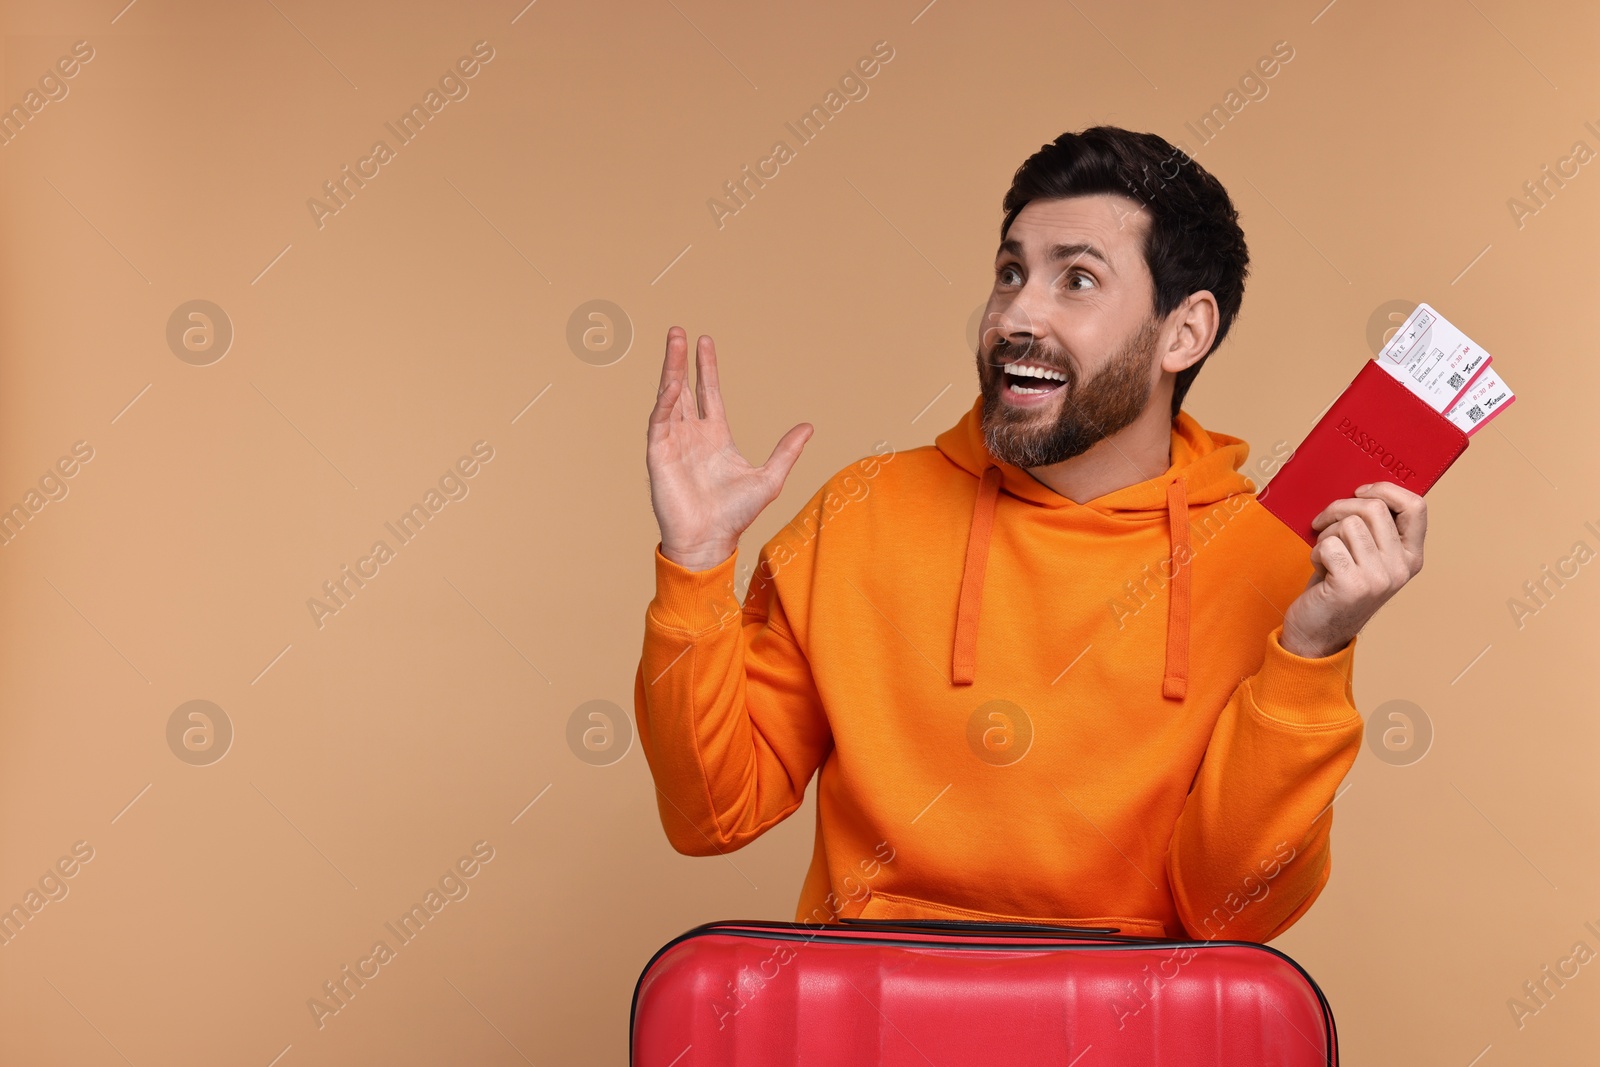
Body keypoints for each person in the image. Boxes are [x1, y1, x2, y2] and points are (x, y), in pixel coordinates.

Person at [633, 126, 1424, 942]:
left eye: (1076, 279)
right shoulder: (862, 511)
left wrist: (1313, 652)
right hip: (872, 1020)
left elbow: (1232, 911)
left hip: (1131, 1033)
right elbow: (712, 813)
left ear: (1184, 332)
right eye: (1011, 273)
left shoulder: (1273, 564)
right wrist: (695, 566)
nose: (1014, 313)